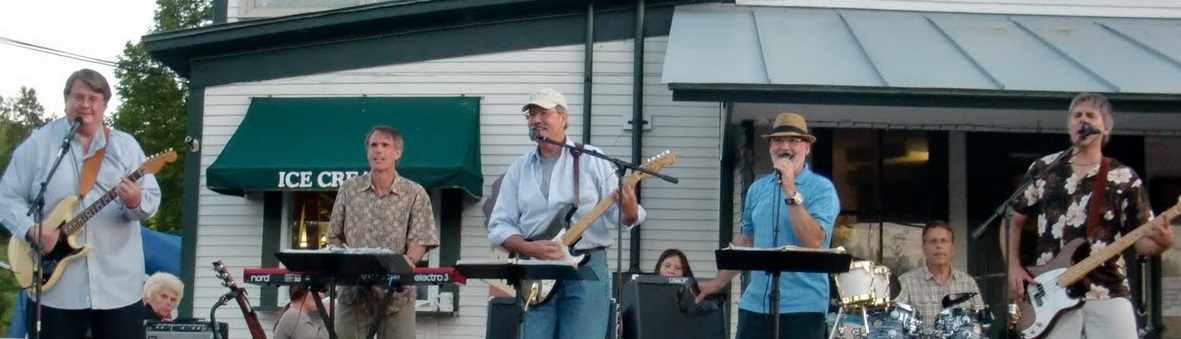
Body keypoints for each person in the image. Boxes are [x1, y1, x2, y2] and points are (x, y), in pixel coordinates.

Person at [0, 68, 161, 339]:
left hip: (117, 286)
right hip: (57, 288)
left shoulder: (125, 146)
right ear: (66, 101)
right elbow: (7, 196)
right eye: (78, 97)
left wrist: (135, 200)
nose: (85, 105)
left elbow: (150, 200)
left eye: (93, 99)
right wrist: (32, 230)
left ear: (105, 105)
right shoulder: (40, 144)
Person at [1004, 92, 1176, 339]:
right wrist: (1013, 268)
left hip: (1108, 290)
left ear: (1105, 129)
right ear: (1069, 125)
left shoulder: (1124, 178)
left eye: (1090, 115)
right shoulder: (1045, 169)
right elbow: (1012, 220)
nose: (1082, 120)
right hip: (1053, 291)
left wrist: (1164, 242)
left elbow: (1142, 243)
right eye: (1076, 115)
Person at [487, 88, 645, 339]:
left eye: (543, 113)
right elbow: (499, 227)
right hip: (536, 270)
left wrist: (629, 206)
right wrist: (530, 249)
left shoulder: (593, 160)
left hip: (586, 268)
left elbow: (622, 219)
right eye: (530, 115)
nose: (535, 120)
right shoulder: (518, 169)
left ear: (564, 118)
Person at [695, 112, 839, 339]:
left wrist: (791, 190)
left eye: (794, 141)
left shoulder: (822, 189)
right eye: (778, 140)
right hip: (756, 304)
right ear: (771, 147)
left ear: (807, 149)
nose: (785, 147)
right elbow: (747, 243)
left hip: (803, 306)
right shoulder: (757, 189)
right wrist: (716, 283)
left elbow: (814, 240)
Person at [326, 125, 439, 339]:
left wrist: (409, 261)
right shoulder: (348, 189)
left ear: (397, 153)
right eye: (373, 145)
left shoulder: (414, 192)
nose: (378, 150)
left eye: (385, 145)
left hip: (397, 295)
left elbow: (422, 238)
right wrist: (342, 261)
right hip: (353, 292)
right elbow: (334, 235)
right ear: (367, 152)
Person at [894, 221, 984, 327]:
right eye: (933, 241)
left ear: (952, 248)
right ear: (924, 248)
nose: (939, 246)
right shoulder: (906, 282)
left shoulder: (968, 283)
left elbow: (981, 322)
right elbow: (895, 323)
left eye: (944, 241)